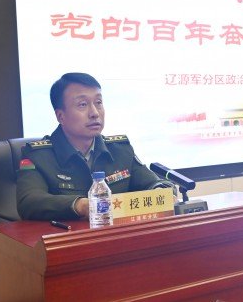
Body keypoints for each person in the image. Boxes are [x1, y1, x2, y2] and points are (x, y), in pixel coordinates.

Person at [16, 72, 162, 221]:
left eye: (98, 103)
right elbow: (28, 202)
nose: (94, 113)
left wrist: (163, 192)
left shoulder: (120, 150)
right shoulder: (38, 156)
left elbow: (153, 184)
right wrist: (79, 205)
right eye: (83, 105)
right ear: (60, 116)